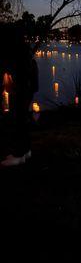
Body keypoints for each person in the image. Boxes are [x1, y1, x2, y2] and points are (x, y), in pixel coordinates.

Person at [0, 26, 39, 167]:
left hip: (22, 86)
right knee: (22, 117)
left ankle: (19, 154)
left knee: (18, 119)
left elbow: (9, 66)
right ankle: (26, 151)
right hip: (28, 85)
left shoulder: (14, 51)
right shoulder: (24, 49)